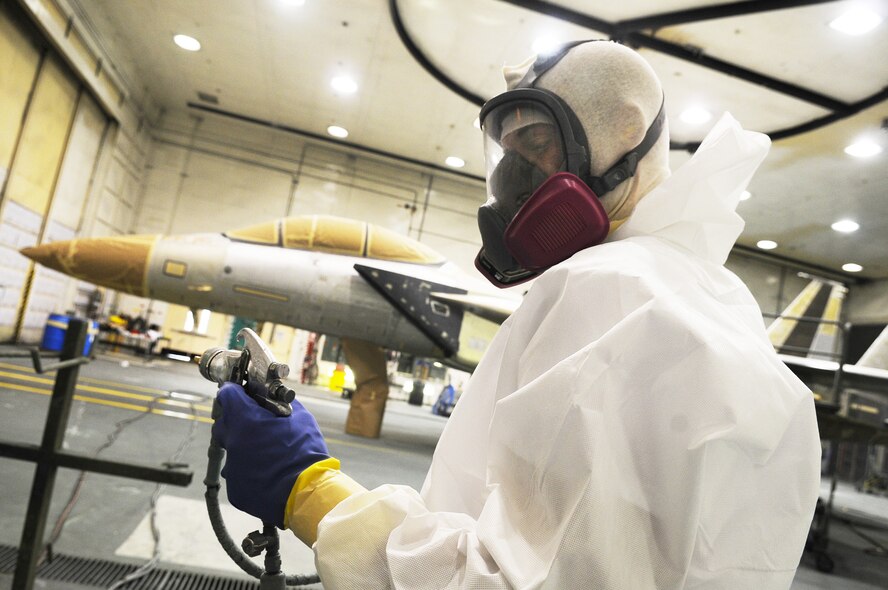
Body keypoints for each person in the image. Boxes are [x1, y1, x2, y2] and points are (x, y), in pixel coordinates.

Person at [212, 41, 820, 588]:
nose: (510, 178)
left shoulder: (614, 291)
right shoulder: (714, 299)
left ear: (623, 131)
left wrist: (313, 494)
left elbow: (508, 583)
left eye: (534, 144)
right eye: (504, 152)